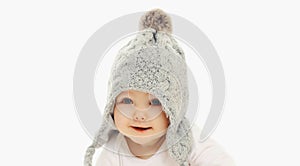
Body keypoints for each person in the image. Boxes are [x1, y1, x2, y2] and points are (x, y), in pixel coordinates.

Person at [84, 8, 235, 166]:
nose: (140, 115)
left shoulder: (187, 138)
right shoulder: (114, 150)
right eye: (127, 101)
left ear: (174, 108)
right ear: (112, 106)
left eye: (155, 102)